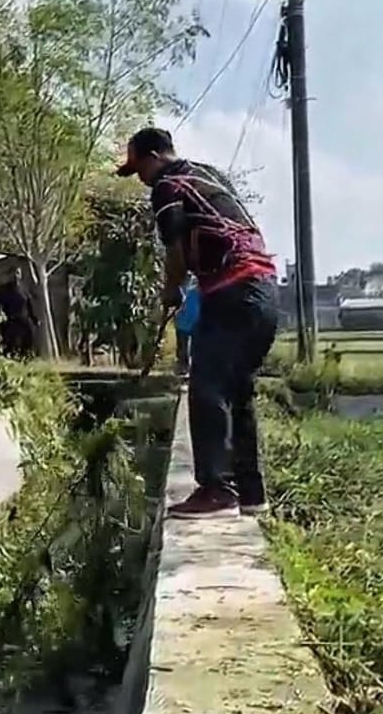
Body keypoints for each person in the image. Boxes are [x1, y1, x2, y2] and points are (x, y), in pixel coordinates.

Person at [117, 127, 278, 518]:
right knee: (237, 392)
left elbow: (175, 251)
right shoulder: (208, 176)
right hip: (264, 291)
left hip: (234, 291)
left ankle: (215, 490)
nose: (141, 179)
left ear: (154, 156)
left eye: (139, 169)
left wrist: (171, 291)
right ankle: (250, 494)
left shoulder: (167, 185)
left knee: (206, 387)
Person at [0, 266, 38, 358]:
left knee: (30, 335)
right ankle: (8, 354)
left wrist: (34, 318)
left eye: (18, 273)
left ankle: (25, 355)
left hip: (23, 318)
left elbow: (29, 304)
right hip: (10, 319)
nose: (15, 276)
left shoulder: (23, 289)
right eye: (14, 273)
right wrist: (0, 314)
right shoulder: (4, 290)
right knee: (9, 340)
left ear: (20, 275)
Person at [174, 274, 200, 375]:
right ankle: (184, 367)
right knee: (184, 348)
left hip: (191, 323)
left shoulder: (193, 290)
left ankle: (187, 367)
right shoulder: (185, 289)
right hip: (185, 323)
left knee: (189, 348)